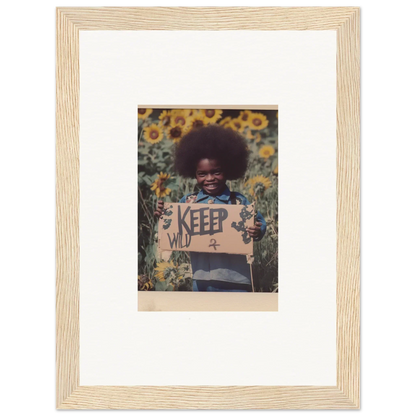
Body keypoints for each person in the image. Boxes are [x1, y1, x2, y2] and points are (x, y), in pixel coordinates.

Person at [154, 124, 267, 292]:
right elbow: (174, 226)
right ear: (194, 174)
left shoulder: (238, 201)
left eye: (216, 172)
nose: (210, 179)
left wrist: (257, 231)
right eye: (202, 174)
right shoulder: (188, 202)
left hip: (237, 280)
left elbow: (259, 224)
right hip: (201, 280)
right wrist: (164, 215)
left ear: (228, 170)